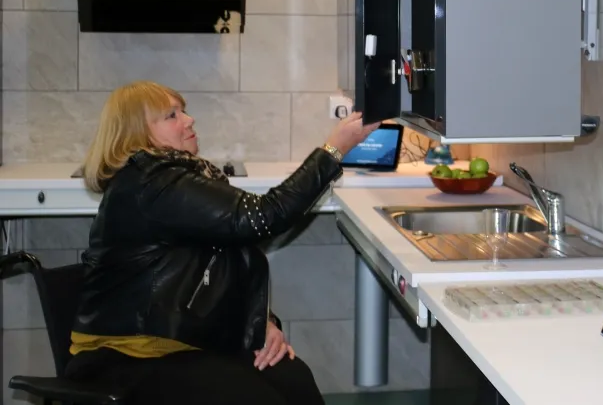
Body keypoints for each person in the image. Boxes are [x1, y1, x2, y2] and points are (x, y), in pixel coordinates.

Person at [65, 80, 379, 405]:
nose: (188, 120)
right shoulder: (152, 183)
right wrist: (333, 150)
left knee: (293, 378)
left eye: (183, 111)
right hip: (127, 355)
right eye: (171, 116)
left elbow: (224, 263)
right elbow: (263, 217)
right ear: (136, 134)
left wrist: (260, 325)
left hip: (181, 339)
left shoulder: (176, 177)